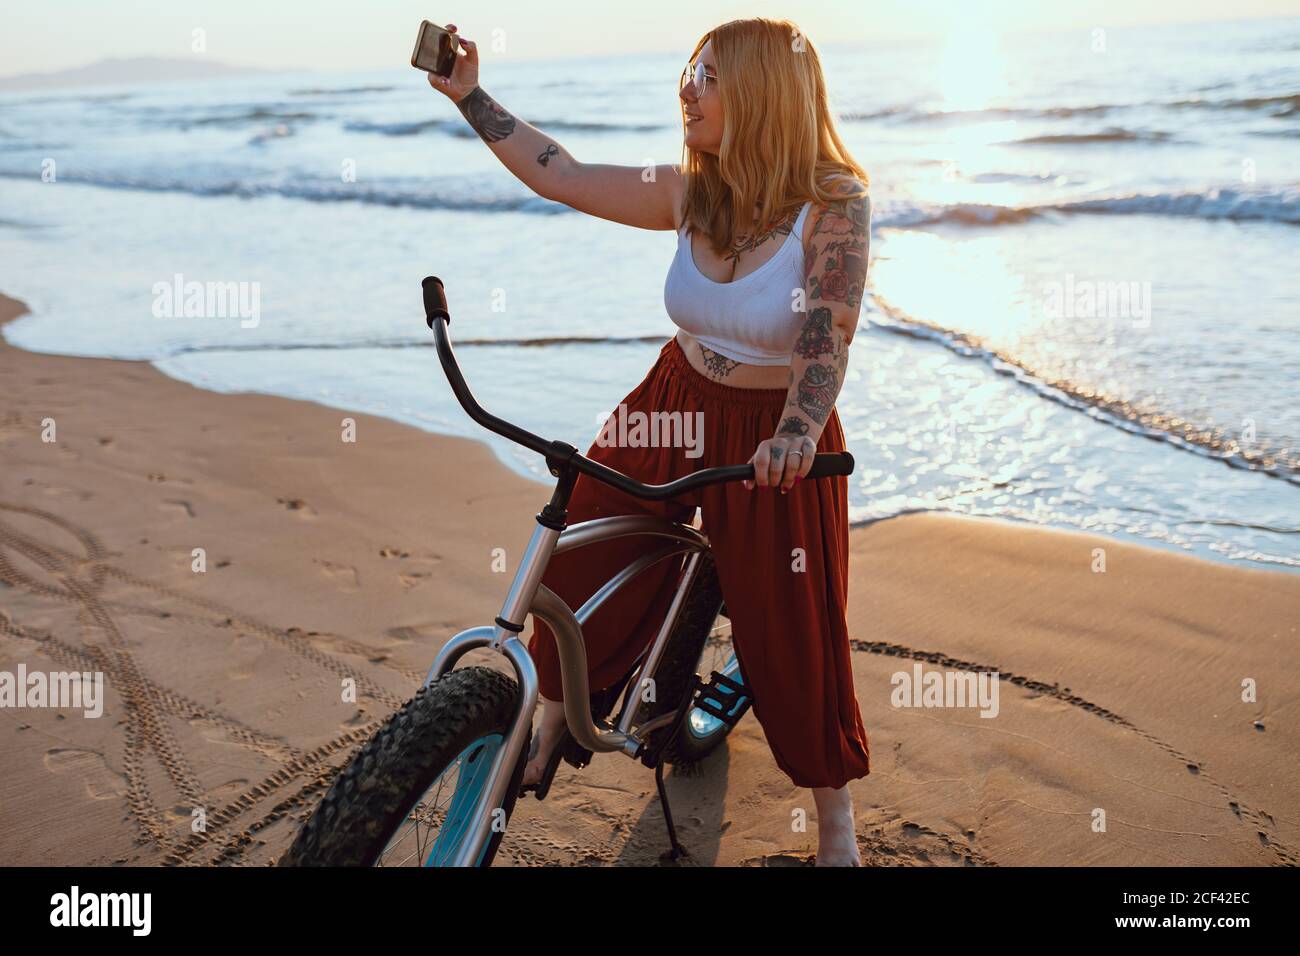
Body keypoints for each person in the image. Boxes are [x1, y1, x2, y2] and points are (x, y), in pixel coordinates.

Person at [428, 16, 872, 866]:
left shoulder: (833, 203)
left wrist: (798, 430)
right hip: (672, 400)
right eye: (689, 72)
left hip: (774, 430)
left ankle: (833, 816)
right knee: (574, 548)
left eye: (709, 75)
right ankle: (556, 714)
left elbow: (829, 325)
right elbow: (562, 174)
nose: (688, 89)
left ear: (762, 91)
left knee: (791, 631)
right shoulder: (691, 193)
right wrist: (469, 95)